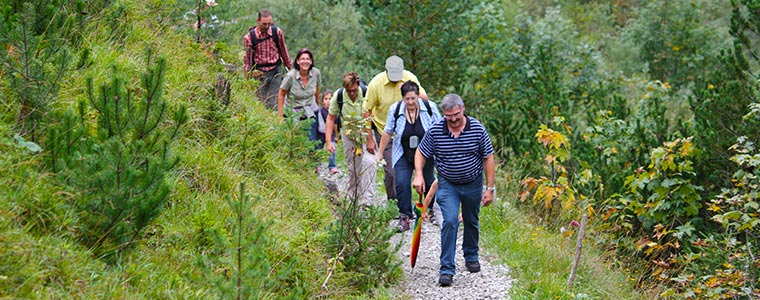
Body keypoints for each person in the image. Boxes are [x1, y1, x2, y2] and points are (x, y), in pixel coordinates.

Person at [412, 94, 495, 287]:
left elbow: (488, 156)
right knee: (449, 221)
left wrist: (490, 188)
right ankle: (447, 269)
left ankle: (471, 255)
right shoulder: (435, 131)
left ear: (463, 109)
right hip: (447, 184)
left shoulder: (477, 129)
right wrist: (418, 174)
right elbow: (421, 152)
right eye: (449, 116)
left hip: (473, 182)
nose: (454, 119)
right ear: (444, 114)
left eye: (457, 114)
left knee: (471, 219)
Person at [375, 81, 439, 232]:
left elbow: (440, 129)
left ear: (418, 97)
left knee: (429, 180)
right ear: (402, 98)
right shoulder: (395, 110)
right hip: (403, 152)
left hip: (426, 152)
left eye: (413, 98)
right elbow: (388, 131)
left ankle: (430, 210)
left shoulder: (430, 108)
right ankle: (404, 216)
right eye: (407, 99)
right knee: (401, 183)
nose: (410, 102)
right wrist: (379, 152)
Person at [364, 55, 429, 204]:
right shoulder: (376, 83)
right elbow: (366, 111)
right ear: (386, 70)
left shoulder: (409, 77)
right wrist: (369, 138)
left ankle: (423, 204)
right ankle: (395, 203)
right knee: (392, 172)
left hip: (408, 132)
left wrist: (407, 91)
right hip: (384, 131)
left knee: (419, 168)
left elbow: (425, 99)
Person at [326, 72, 377, 205]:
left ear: (358, 86)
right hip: (348, 135)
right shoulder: (339, 96)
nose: (352, 93)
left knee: (370, 163)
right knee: (353, 167)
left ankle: (367, 200)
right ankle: (354, 197)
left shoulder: (366, 93)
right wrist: (328, 142)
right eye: (349, 91)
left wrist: (371, 139)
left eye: (354, 90)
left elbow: (372, 115)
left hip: (366, 134)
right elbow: (331, 118)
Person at [243, 9, 292, 110]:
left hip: (275, 70)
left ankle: (276, 123)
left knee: (274, 102)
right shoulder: (249, 38)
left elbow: (283, 50)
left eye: (269, 24)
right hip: (259, 73)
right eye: (264, 24)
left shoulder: (276, 32)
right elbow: (247, 60)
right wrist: (247, 78)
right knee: (261, 103)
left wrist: (290, 67)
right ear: (258, 21)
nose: (267, 26)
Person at [277, 48, 321, 119]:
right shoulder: (290, 76)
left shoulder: (316, 73)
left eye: (307, 59)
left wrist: (318, 105)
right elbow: (281, 94)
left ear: (311, 61)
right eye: (302, 59)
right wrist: (280, 115)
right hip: (293, 110)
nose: (305, 61)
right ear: (298, 61)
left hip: (310, 109)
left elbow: (317, 89)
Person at [312, 90, 338, 174]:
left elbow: (335, 124)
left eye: (330, 99)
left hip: (331, 135)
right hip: (321, 134)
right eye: (326, 99)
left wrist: (336, 136)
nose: (328, 101)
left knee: (332, 149)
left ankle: (332, 166)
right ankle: (317, 164)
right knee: (319, 149)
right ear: (322, 101)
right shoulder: (320, 111)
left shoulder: (334, 111)